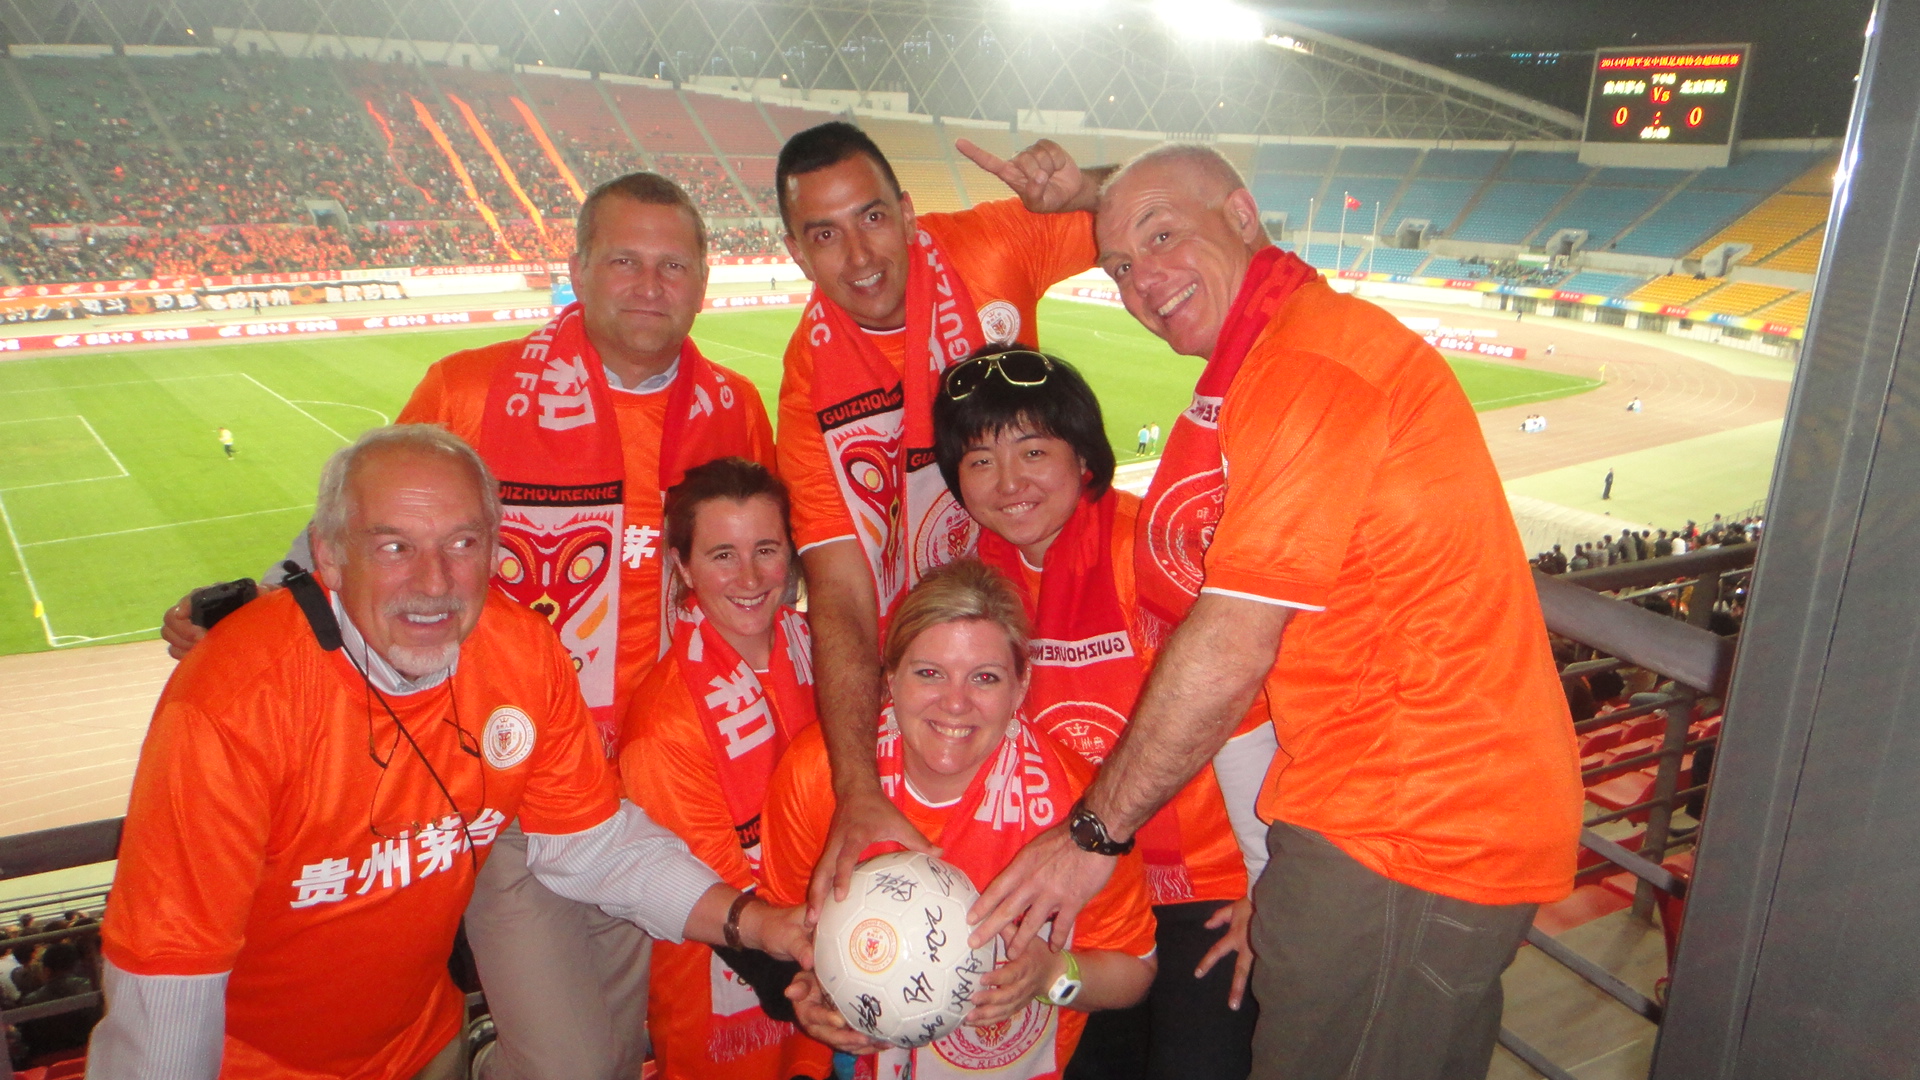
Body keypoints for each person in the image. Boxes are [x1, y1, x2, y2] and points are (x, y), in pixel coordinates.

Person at [968, 143, 1581, 1080]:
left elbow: (1233, 641)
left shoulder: (1307, 367)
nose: (1142, 282)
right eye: (1122, 265)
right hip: (1367, 819)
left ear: (1244, 216)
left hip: (1409, 831)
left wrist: (1093, 836)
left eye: (1163, 239)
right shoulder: (1296, 337)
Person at [156, 172, 778, 1080]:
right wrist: (260, 603)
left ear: (705, 278)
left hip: (676, 779)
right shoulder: (471, 389)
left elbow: (753, 576)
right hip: (514, 775)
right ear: (576, 268)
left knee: (638, 1037)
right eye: (625, 261)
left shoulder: (735, 410)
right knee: (574, 1060)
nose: (651, 285)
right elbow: (359, 531)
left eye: (674, 264)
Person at [91, 426, 811, 1080]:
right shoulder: (230, 702)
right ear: (330, 558)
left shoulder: (522, 654)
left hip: (422, 1047)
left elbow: (592, 846)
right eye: (395, 545)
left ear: (496, 552)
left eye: (463, 544)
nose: (435, 583)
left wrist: (754, 924)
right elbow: (168, 987)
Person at [769, 121, 1112, 914]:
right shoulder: (806, 391)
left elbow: (1172, 207)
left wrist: (1090, 191)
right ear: (796, 253)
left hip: (1065, 606)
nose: (859, 257)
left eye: (873, 218)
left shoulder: (990, 244)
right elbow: (843, 601)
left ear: (909, 210)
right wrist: (856, 789)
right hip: (952, 669)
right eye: (825, 234)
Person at [932, 348, 1271, 1079]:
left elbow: (1244, 711)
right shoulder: (971, 580)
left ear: (1084, 456)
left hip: (1203, 895)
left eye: (1033, 451)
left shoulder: (1147, 551)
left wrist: (1269, 884)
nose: (1010, 483)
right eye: (981, 460)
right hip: (1072, 895)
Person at [765, 560, 1158, 1080]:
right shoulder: (818, 771)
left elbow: (1136, 971)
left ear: (1021, 689)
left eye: (985, 678)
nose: (955, 703)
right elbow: (785, 928)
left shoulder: (1079, 810)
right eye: (929, 673)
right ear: (890, 679)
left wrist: (1052, 974)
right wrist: (818, 985)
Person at [618, 459, 831, 1080]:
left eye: (767, 549)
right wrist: (834, 988)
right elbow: (716, 899)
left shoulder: (820, 645)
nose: (750, 577)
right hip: (733, 1003)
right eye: (722, 555)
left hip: (831, 962)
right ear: (681, 566)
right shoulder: (665, 724)